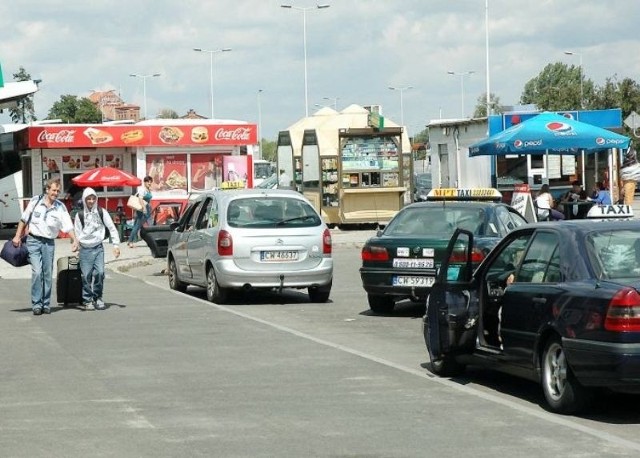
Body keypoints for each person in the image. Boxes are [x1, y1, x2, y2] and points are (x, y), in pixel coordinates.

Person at [12, 178, 79, 315]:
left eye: (58, 191)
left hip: (49, 243)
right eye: (54, 190)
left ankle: (46, 303)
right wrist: (17, 236)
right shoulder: (35, 201)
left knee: (47, 273)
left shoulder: (60, 207)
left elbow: (67, 225)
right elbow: (24, 219)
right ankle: (37, 304)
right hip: (33, 241)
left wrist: (75, 240)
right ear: (47, 189)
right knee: (37, 272)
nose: (56, 193)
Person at [74, 187, 121, 311]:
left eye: (93, 198)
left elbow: (111, 228)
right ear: (84, 200)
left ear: (96, 199)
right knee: (86, 275)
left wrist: (116, 245)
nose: (91, 201)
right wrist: (77, 246)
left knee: (99, 273)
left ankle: (98, 297)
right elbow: (77, 233)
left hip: (98, 247)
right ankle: (87, 299)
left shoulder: (102, 212)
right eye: (88, 199)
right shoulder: (79, 215)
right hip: (85, 249)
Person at [127, 175, 153, 248]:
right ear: (144, 182)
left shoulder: (148, 190)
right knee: (137, 226)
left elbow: (148, 200)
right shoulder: (142, 190)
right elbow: (140, 199)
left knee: (147, 224)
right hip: (142, 209)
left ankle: (150, 240)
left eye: (150, 182)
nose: (149, 183)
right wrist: (144, 208)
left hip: (147, 208)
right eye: (148, 182)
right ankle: (130, 241)